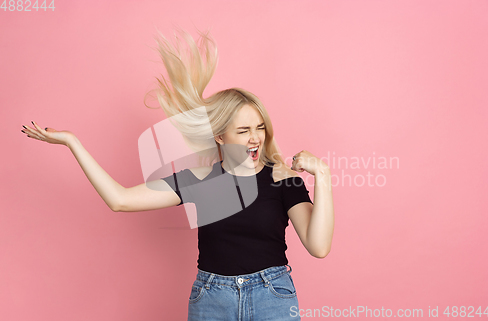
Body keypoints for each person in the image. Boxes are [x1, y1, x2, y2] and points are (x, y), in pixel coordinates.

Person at [21, 28, 334, 321]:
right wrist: (72, 142)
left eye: (260, 127)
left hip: (272, 296)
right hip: (213, 299)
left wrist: (322, 174)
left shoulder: (283, 179)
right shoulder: (200, 180)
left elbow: (319, 247)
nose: (255, 138)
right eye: (243, 130)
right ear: (220, 137)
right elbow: (120, 200)